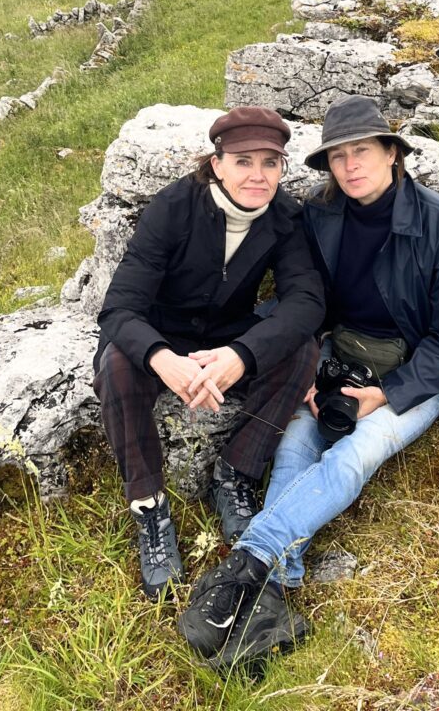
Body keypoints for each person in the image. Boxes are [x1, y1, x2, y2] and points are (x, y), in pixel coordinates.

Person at [178, 95, 439, 670]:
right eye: (337, 156)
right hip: (336, 357)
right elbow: (306, 304)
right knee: (296, 444)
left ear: (392, 154)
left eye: (362, 151)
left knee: (351, 457)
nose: (350, 166)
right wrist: (304, 370)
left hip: (416, 373)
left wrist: (387, 395)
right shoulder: (319, 220)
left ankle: (247, 564)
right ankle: (271, 599)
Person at [93, 106, 325, 601]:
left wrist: (242, 353)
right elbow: (118, 309)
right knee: (116, 363)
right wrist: (160, 356)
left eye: (270, 162)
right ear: (217, 163)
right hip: (161, 332)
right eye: (244, 161)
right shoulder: (173, 207)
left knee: (300, 348)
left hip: (228, 335)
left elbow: (306, 301)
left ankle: (235, 472)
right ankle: (149, 506)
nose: (258, 176)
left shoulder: (284, 217)